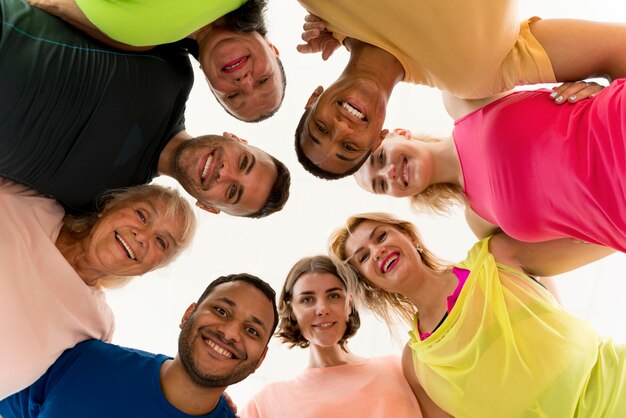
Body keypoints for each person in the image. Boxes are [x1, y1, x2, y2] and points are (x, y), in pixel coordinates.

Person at [0, 0, 290, 217]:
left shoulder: (112, 204)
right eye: (243, 163)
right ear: (235, 139)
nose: (225, 172)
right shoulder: (173, 68)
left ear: (208, 207)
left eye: (231, 192)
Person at [329, 212, 625, 417]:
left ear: (410, 236)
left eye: (380, 236)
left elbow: (605, 234)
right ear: (369, 283)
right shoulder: (416, 365)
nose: (377, 251)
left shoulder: (495, 257)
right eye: (363, 257)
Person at [294, 0, 626, 178]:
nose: (341, 127)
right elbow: (619, 50)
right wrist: (609, 104)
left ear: (312, 100)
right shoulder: (472, 78)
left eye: (320, 128)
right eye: (350, 148)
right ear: (380, 138)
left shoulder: (322, 7)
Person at [353, 77, 626, 253]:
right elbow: (573, 255)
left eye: (379, 158)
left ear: (398, 133)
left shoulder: (461, 99)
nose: (388, 172)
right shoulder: (481, 223)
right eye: (381, 184)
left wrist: (604, 84)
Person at [0, 178, 196, 400]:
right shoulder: (23, 201)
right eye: (142, 215)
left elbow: (84, 398)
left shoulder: (99, 326)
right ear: (108, 206)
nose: (142, 236)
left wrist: (207, 401)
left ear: (152, 267)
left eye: (161, 242)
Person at [0, 273, 279, 417]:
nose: (230, 332)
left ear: (261, 359)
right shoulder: (86, 362)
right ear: (187, 315)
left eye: (252, 330)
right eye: (221, 311)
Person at [27, 0, 286, 121]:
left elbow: (50, 3)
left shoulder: (136, 38)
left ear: (209, 83)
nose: (245, 82)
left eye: (233, 96)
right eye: (264, 80)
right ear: (273, 48)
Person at [241, 255, 422, 418]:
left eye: (333, 296)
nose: (322, 309)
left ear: (349, 303)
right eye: (307, 299)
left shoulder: (399, 369)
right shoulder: (268, 402)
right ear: (291, 310)